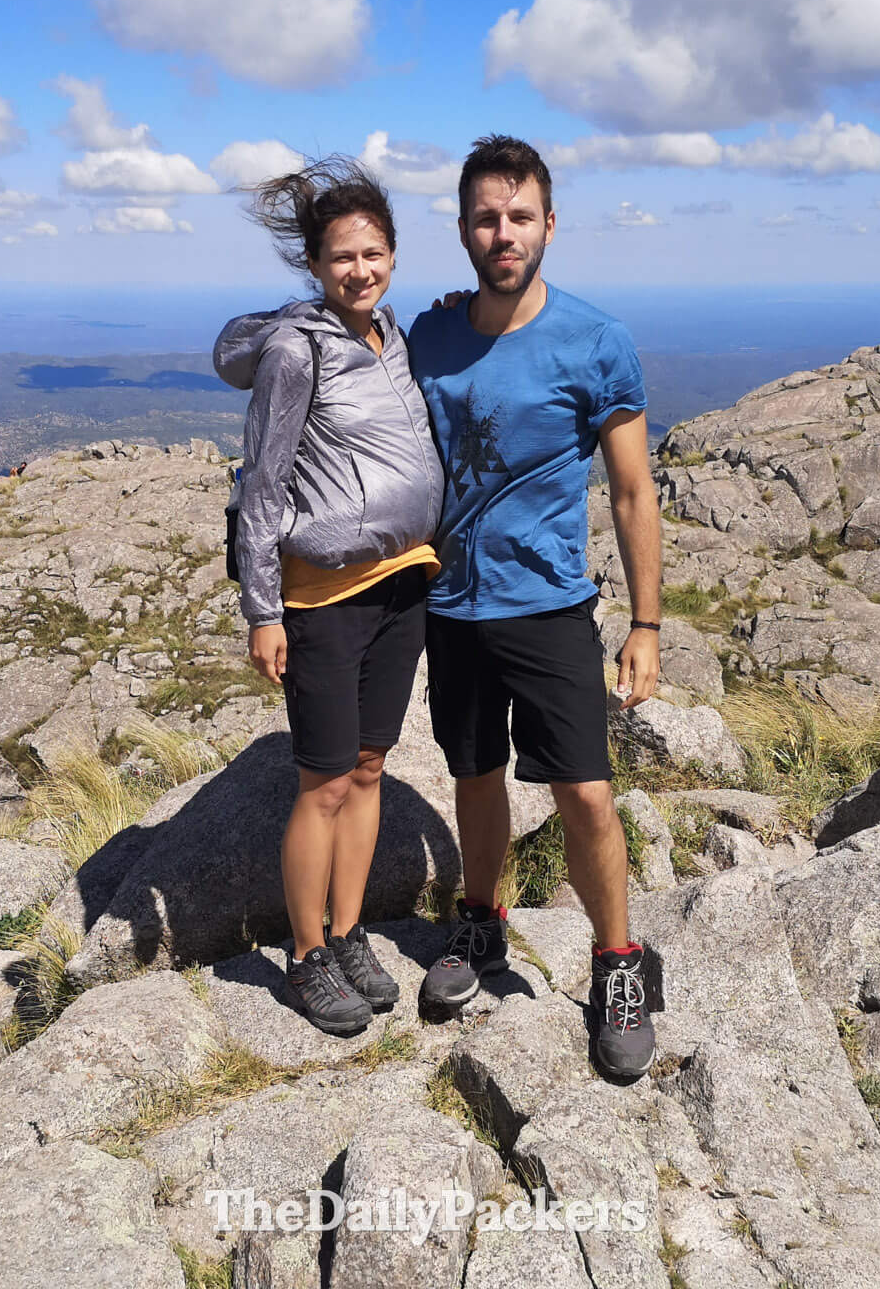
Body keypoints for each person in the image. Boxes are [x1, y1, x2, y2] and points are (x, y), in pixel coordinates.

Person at [407, 135, 664, 1080]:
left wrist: (646, 623)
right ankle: (482, 927)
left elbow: (634, 492)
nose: (503, 232)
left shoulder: (598, 342)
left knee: (585, 792)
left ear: (549, 224)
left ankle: (617, 962)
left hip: (549, 605)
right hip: (454, 605)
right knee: (474, 776)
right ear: (464, 229)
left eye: (519, 216)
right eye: (486, 217)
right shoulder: (428, 337)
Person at [213, 158, 445, 1037]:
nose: (361, 269)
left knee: (370, 767)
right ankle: (307, 956)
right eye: (343, 257)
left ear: (393, 255)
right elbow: (265, 485)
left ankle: (349, 936)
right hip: (323, 598)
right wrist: (263, 611)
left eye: (375, 252)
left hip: (401, 586)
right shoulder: (294, 348)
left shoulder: (393, 337)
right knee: (320, 784)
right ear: (315, 264)